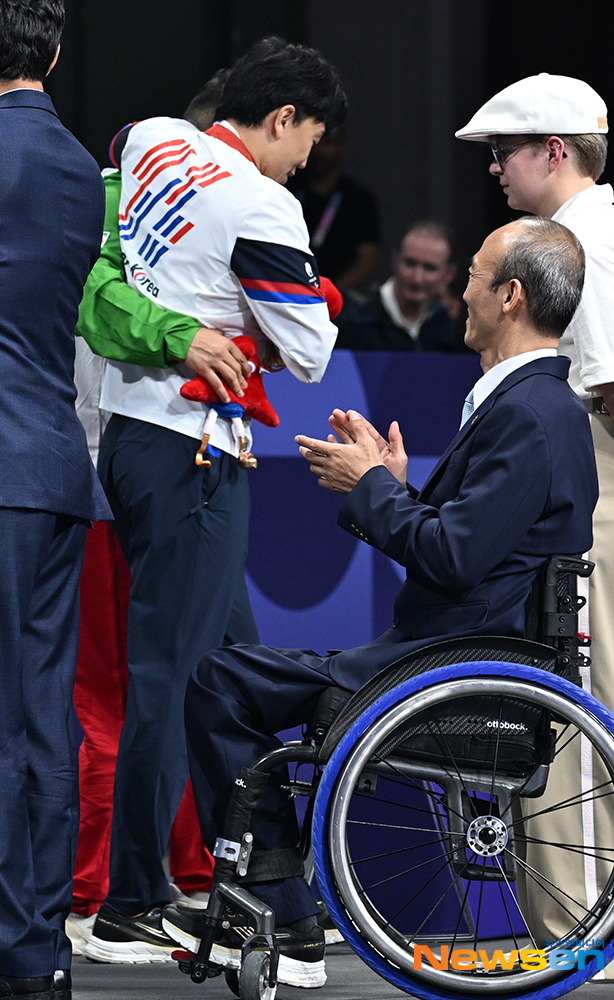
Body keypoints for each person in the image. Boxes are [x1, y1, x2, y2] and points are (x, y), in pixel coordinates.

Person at [160, 216, 598, 988]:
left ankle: (281, 911)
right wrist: (391, 487)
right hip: (454, 650)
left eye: (473, 273)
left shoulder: (531, 414)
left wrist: (373, 488)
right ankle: (279, 903)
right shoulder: (530, 408)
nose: (462, 290)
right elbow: (472, 546)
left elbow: (454, 558)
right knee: (230, 679)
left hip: (454, 664)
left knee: (219, 684)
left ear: (511, 296)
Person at [77, 36, 347, 963]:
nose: (303, 165)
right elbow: (309, 350)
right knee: (172, 680)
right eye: (305, 145)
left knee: (234, 676)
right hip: (195, 454)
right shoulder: (263, 200)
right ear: (280, 121)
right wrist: (272, 298)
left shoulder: (148, 136)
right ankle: (133, 899)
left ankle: (262, 886)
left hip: (133, 439)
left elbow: (113, 263)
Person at [67, 69, 230, 959]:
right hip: (105, 485)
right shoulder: (106, 225)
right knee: (120, 696)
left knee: (165, 686)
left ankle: (167, 883)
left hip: (141, 482)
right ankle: (102, 898)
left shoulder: (175, 237)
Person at [455, 73, 614, 969]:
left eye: (502, 154)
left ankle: (584, 934)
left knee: (575, 706)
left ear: (555, 153)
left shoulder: (580, 240)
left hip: (596, 489)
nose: (495, 172)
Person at [0, 1, 110, 997]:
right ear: (58, 53)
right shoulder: (84, 171)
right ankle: (35, 949)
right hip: (48, 466)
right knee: (40, 715)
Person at [334, 220, 466, 351]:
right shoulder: (352, 316)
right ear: (395, 260)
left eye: (429, 268)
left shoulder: (448, 328)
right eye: (409, 263)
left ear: (450, 273)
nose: (417, 278)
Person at [287, 128, 380, 290]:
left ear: (341, 146)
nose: (320, 151)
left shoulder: (359, 200)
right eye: (316, 143)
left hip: (338, 301)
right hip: (287, 288)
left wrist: (327, 294)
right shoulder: (287, 189)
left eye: (328, 143)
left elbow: (367, 262)